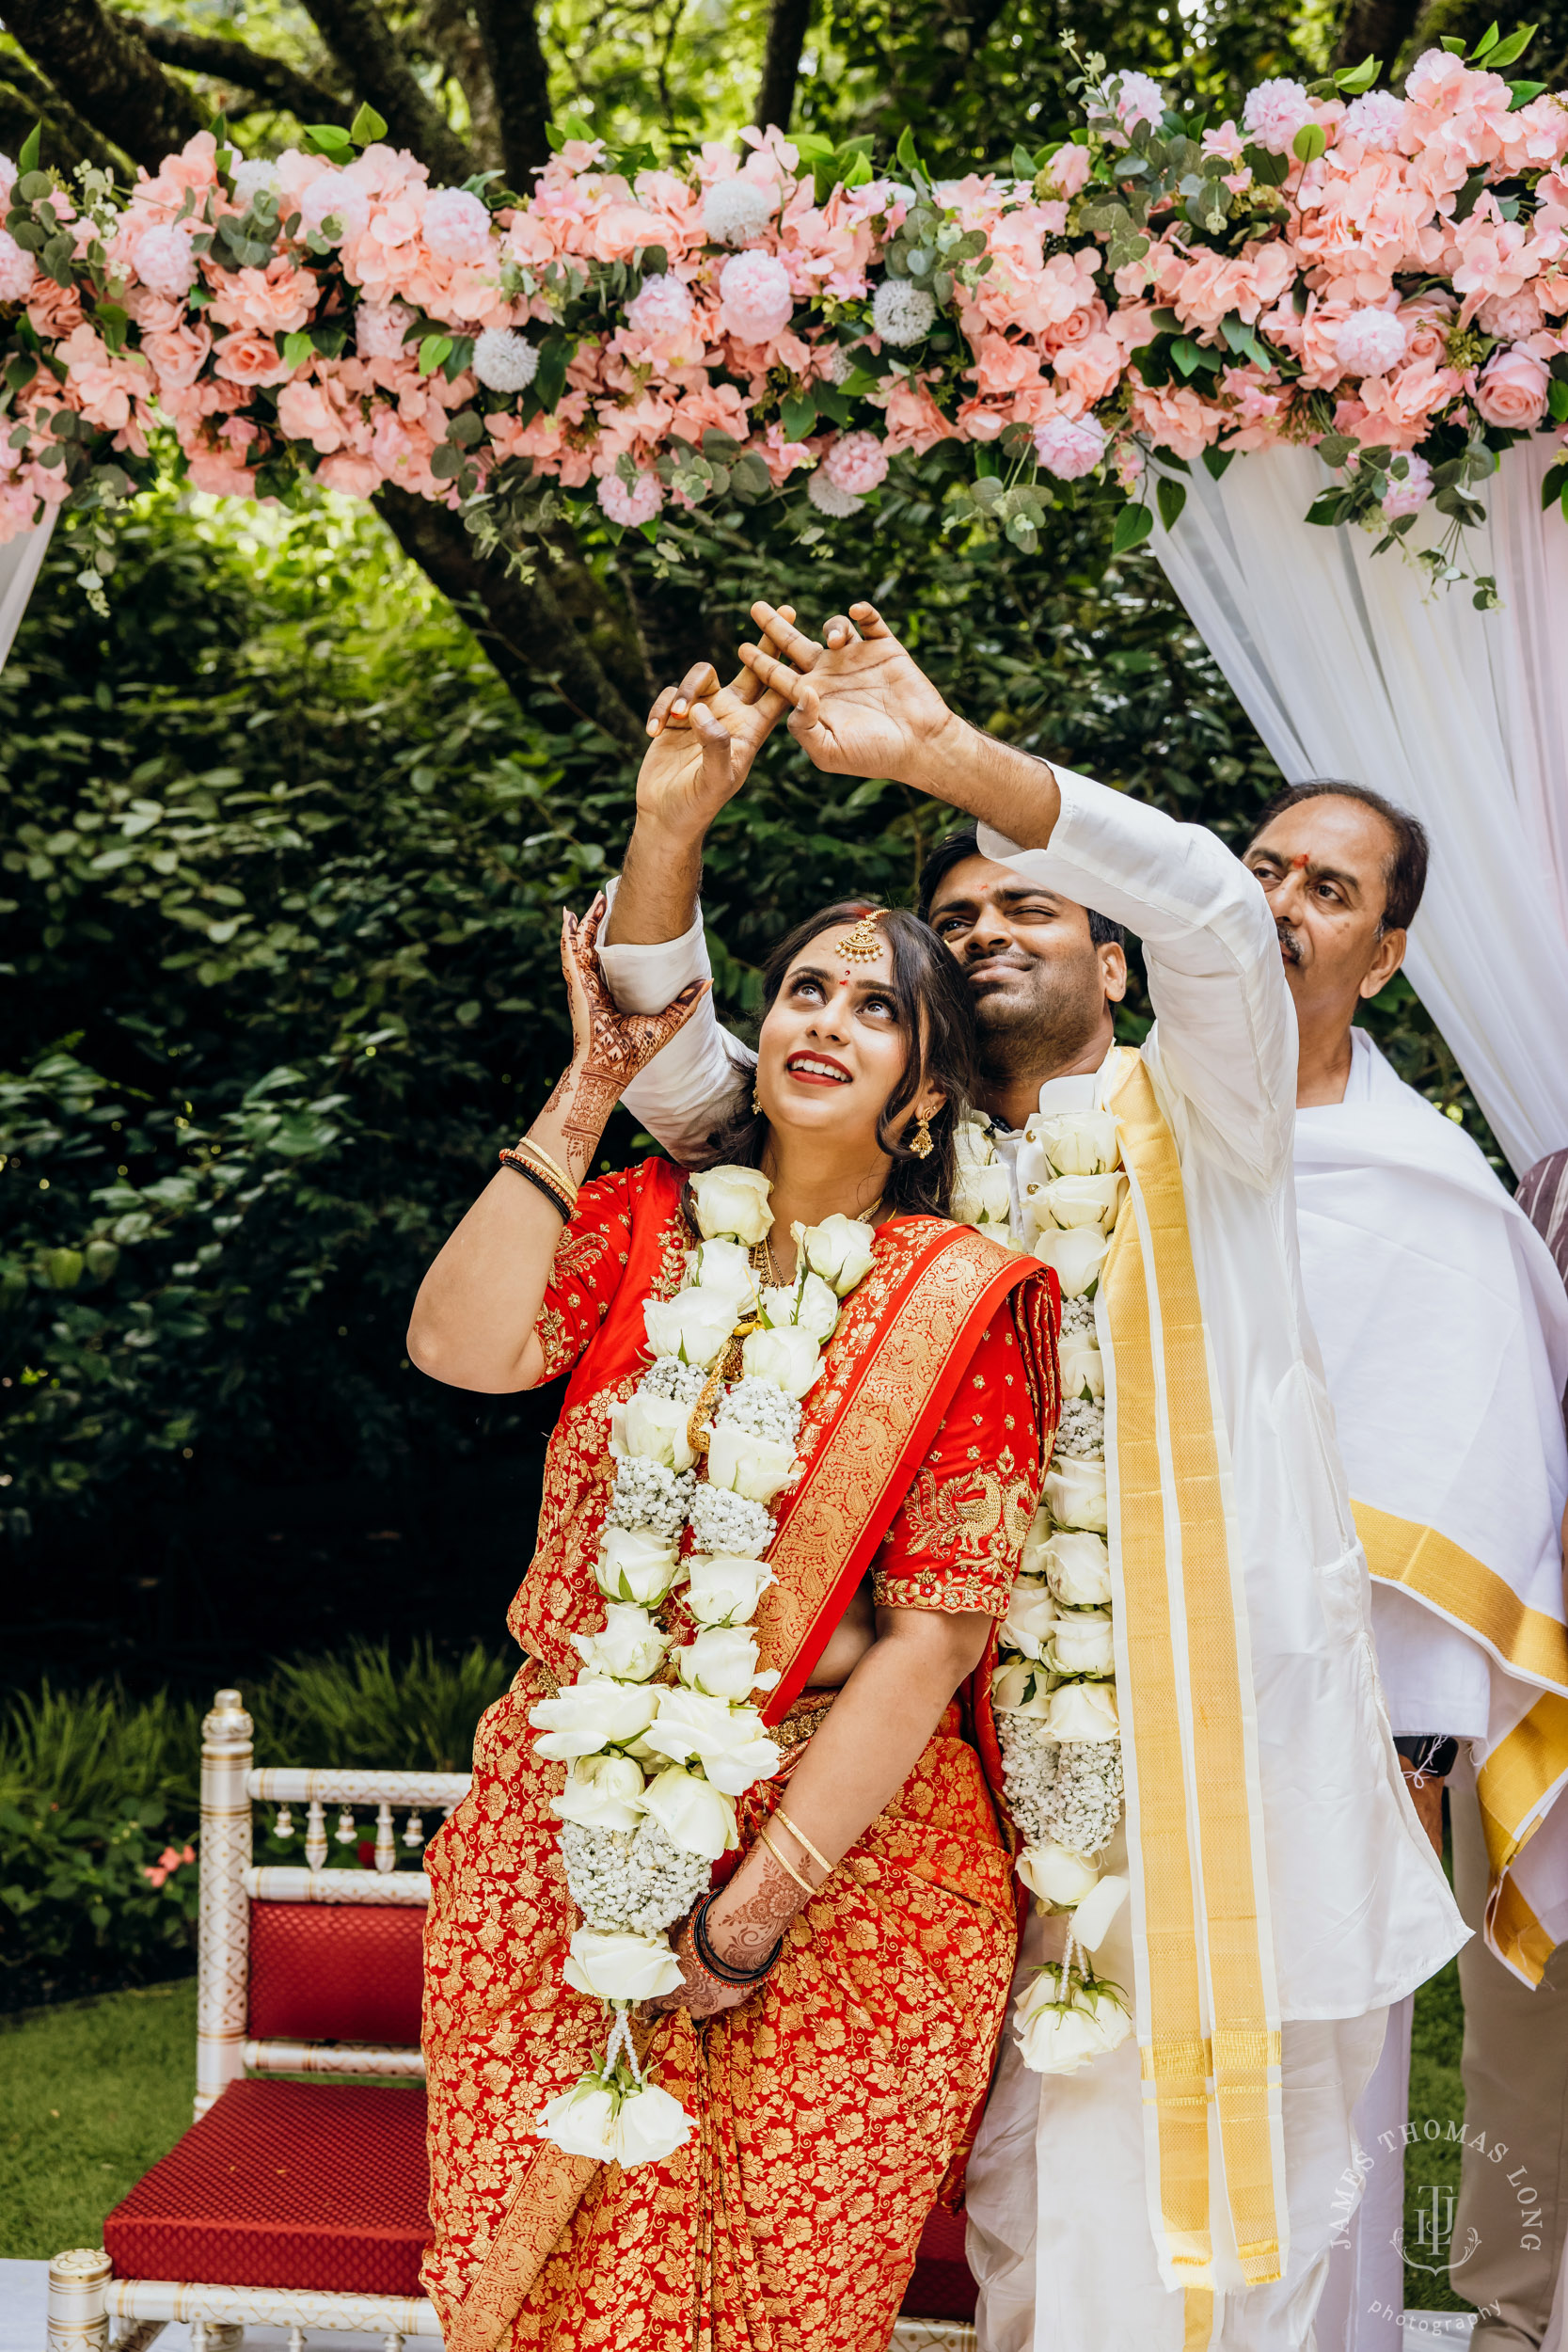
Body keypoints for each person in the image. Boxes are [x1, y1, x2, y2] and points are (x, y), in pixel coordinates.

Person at [598, 599, 1464, 2351]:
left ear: (1117, 959)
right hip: (967, 1785)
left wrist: (944, 762)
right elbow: (683, 1072)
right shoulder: (894, 1185)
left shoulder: (1204, 1121)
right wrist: (668, 835)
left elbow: (1225, 911)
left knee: (1228, 2224)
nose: (985, 929)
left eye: (1031, 907)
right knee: (1027, 2218)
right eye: (957, 917)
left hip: (1219, 1765)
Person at [405, 724, 1062, 2352]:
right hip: (563, 1840)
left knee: (778, 2301)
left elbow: (936, 1636)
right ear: (757, 1029)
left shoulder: (958, 1301)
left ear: (924, 1089)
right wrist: (589, 1088)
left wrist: (753, 1906)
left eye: (879, 1005)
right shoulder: (639, 1222)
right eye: (806, 991)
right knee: (542, 2290)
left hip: (851, 1886)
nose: (828, 1021)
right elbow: (461, 1348)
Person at [1237, 783, 1568, 2352]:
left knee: (1311, 2124)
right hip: (1098, 1700)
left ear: (1385, 956)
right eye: (1263, 869)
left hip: (1342, 1741)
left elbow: (1482, 1472)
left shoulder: (1435, 1191)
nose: (1287, 901)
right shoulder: (1108, 1117)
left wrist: (1417, 1734)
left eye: (1331, 888)